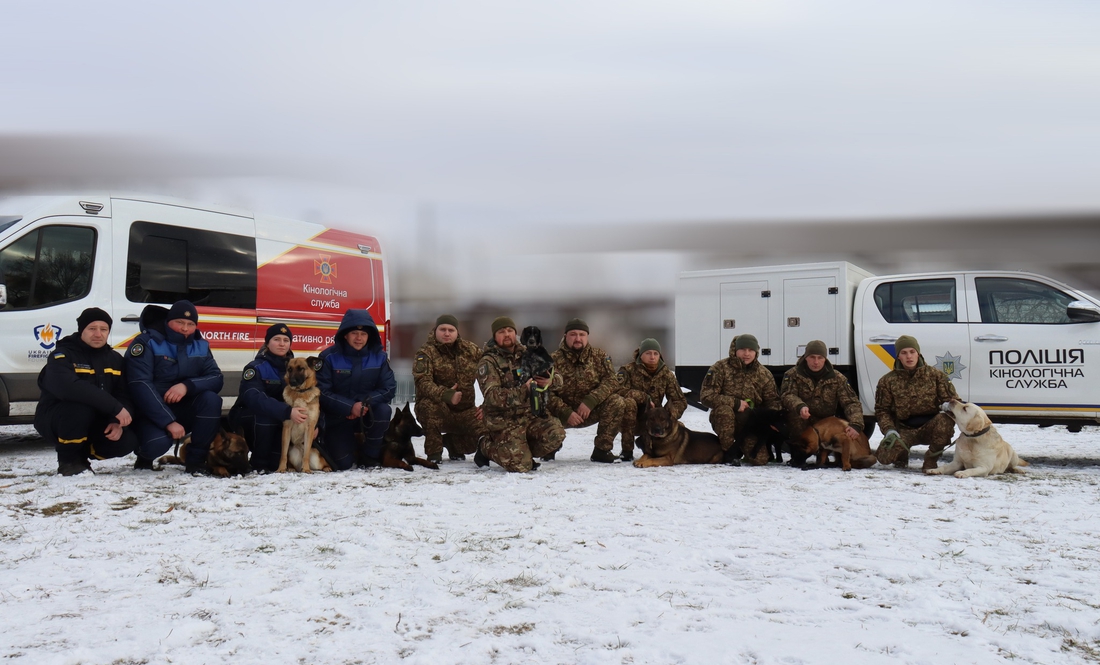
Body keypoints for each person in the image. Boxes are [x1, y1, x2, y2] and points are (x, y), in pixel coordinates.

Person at [34, 307, 137, 476]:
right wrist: (115, 408)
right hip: (57, 418)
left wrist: (116, 421)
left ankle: (83, 456)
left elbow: (124, 394)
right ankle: (69, 461)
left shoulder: (115, 359)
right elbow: (69, 387)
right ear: (81, 330)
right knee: (80, 408)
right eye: (92, 328)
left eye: (103, 329)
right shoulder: (62, 355)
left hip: (95, 420)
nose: (98, 334)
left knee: (127, 440)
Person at [127, 300, 224, 472]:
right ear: (168, 321)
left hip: (183, 407)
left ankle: (196, 462)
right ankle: (144, 457)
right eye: (180, 322)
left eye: (190, 324)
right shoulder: (146, 342)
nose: (185, 328)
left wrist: (187, 386)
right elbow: (139, 384)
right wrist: (168, 421)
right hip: (151, 411)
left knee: (211, 400)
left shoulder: (201, 345)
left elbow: (216, 378)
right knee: (156, 444)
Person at [476, 316, 565, 472]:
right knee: (521, 466)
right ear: (495, 336)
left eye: (510, 330)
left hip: (528, 415)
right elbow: (492, 397)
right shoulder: (489, 362)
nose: (507, 334)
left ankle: (521, 449)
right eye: (502, 332)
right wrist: (524, 390)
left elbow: (557, 377)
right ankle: (485, 446)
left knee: (556, 434)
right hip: (503, 419)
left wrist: (549, 381)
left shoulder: (529, 353)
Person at [317, 309, 395, 470]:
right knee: (344, 464)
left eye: (364, 334)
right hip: (337, 417)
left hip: (367, 415)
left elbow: (389, 388)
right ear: (345, 334)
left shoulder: (379, 357)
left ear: (370, 336)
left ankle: (370, 456)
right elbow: (322, 391)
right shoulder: (328, 357)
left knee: (383, 410)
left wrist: (364, 404)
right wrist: (350, 406)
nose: (359, 338)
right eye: (354, 333)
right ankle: (342, 444)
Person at [547, 318, 631, 463]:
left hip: (589, 412)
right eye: (573, 334)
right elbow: (546, 391)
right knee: (538, 407)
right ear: (566, 336)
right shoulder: (552, 360)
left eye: (582, 334)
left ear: (587, 337)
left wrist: (591, 401)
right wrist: (565, 412)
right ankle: (549, 447)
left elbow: (612, 381)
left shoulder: (599, 356)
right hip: (561, 414)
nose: (578, 338)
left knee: (617, 402)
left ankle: (602, 450)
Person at [229, 323, 310, 473]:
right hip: (251, 417)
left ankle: (271, 460)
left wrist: (315, 425)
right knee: (265, 417)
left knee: (276, 464)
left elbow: (311, 397)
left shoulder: (298, 368)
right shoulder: (255, 367)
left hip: (282, 418)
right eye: (276, 339)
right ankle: (259, 464)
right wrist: (287, 411)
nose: (281, 344)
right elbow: (253, 398)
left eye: (286, 340)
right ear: (267, 343)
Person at [873, 335, 959, 471]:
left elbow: (954, 402)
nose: (909, 357)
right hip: (903, 430)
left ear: (918, 353)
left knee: (945, 421)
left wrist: (948, 406)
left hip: (930, 427)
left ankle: (931, 460)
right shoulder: (887, 381)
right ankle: (901, 455)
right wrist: (889, 430)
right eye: (904, 353)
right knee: (884, 458)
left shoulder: (936, 375)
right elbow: (882, 410)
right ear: (898, 356)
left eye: (912, 352)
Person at [412, 314, 486, 463]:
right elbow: (422, 381)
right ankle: (434, 453)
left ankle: (452, 444)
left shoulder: (470, 350)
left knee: (486, 427)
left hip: (465, 411)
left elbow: (490, 370)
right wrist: (446, 395)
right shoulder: (426, 353)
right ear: (435, 331)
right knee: (429, 406)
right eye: (443, 329)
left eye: (451, 330)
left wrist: (487, 405)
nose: (446, 333)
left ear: (457, 332)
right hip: (440, 409)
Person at [698, 334, 781, 466]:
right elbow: (706, 396)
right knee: (724, 411)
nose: (746, 354)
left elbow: (773, 402)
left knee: (760, 460)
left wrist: (771, 419)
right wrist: (735, 403)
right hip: (725, 417)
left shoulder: (764, 374)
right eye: (742, 349)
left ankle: (743, 449)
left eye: (750, 350)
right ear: (735, 350)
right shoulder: (720, 368)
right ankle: (730, 452)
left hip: (750, 424)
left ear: (756, 352)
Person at [780, 340, 864, 466]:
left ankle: (825, 455)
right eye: (812, 357)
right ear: (805, 357)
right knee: (793, 418)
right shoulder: (792, 375)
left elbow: (851, 402)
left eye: (820, 358)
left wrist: (856, 423)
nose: (816, 362)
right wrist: (799, 406)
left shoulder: (838, 378)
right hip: (802, 418)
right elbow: (787, 395)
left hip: (825, 424)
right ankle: (798, 454)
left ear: (825, 359)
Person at [616, 338, 687, 462]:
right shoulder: (628, 370)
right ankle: (627, 450)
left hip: (656, 421)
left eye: (656, 353)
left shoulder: (666, 374)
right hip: (632, 419)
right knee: (629, 403)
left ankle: (662, 451)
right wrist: (644, 398)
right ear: (640, 355)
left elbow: (679, 400)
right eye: (648, 353)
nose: (652, 357)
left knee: (679, 428)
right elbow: (618, 391)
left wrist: (670, 414)